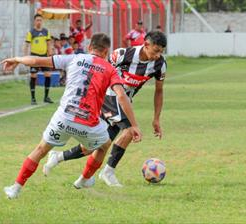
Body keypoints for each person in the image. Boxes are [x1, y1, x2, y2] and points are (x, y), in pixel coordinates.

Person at [1, 33, 142, 199]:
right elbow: (121, 96)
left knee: (40, 150)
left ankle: (15, 189)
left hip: (64, 118)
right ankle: (84, 179)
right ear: (106, 52)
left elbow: (37, 61)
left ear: (89, 47)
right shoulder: (109, 68)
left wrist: (17, 59)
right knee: (104, 146)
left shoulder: (74, 58)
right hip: (88, 124)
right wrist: (133, 125)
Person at [44, 31, 167, 187]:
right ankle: (108, 171)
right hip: (108, 96)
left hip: (124, 102)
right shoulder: (121, 55)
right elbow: (99, 70)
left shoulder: (160, 65)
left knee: (101, 144)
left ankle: (59, 158)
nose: (158, 55)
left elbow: (159, 91)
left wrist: (156, 118)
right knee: (130, 130)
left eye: (161, 52)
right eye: (156, 51)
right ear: (146, 44)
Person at [23, 14, 53, 105]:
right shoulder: (31, 32)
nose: (39, 22)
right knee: (33, 76)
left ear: (42, 21)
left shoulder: (46, 31)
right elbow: (26, 45)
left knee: (48, 75)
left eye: (40, 20)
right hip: (34, 57)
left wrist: (50, 52)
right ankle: (33, 98)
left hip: (44, 56)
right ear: (34, 21)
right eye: (37, 20)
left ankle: (46, 97)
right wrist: (25, 57)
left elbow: (49, 43)